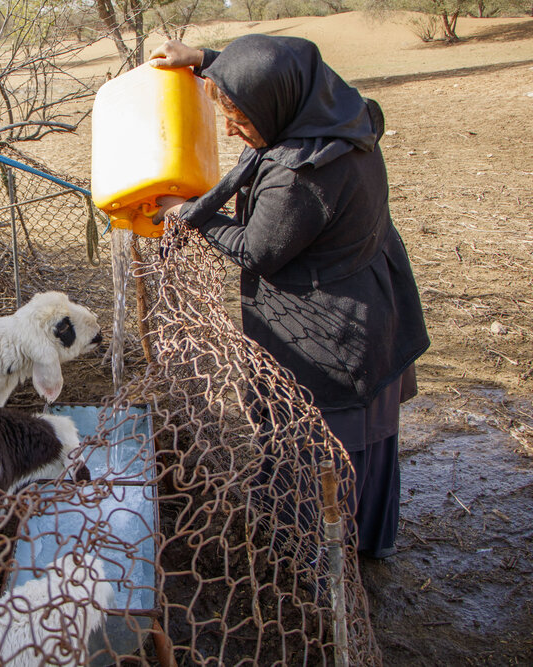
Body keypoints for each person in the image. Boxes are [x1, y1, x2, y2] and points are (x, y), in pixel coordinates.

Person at [149, 35, 430, 559]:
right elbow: (273, 77)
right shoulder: (340, 113)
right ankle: (357, 543)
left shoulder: (301, 175)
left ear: (278, 108)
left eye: (241, 118)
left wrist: (184, 216)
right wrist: (207, 62)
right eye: (225, 112)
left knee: (321, 452)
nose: (230, 129)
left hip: (332, 330)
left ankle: (320, 558)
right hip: (372, 296)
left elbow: (255, 250)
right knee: (355, 448)